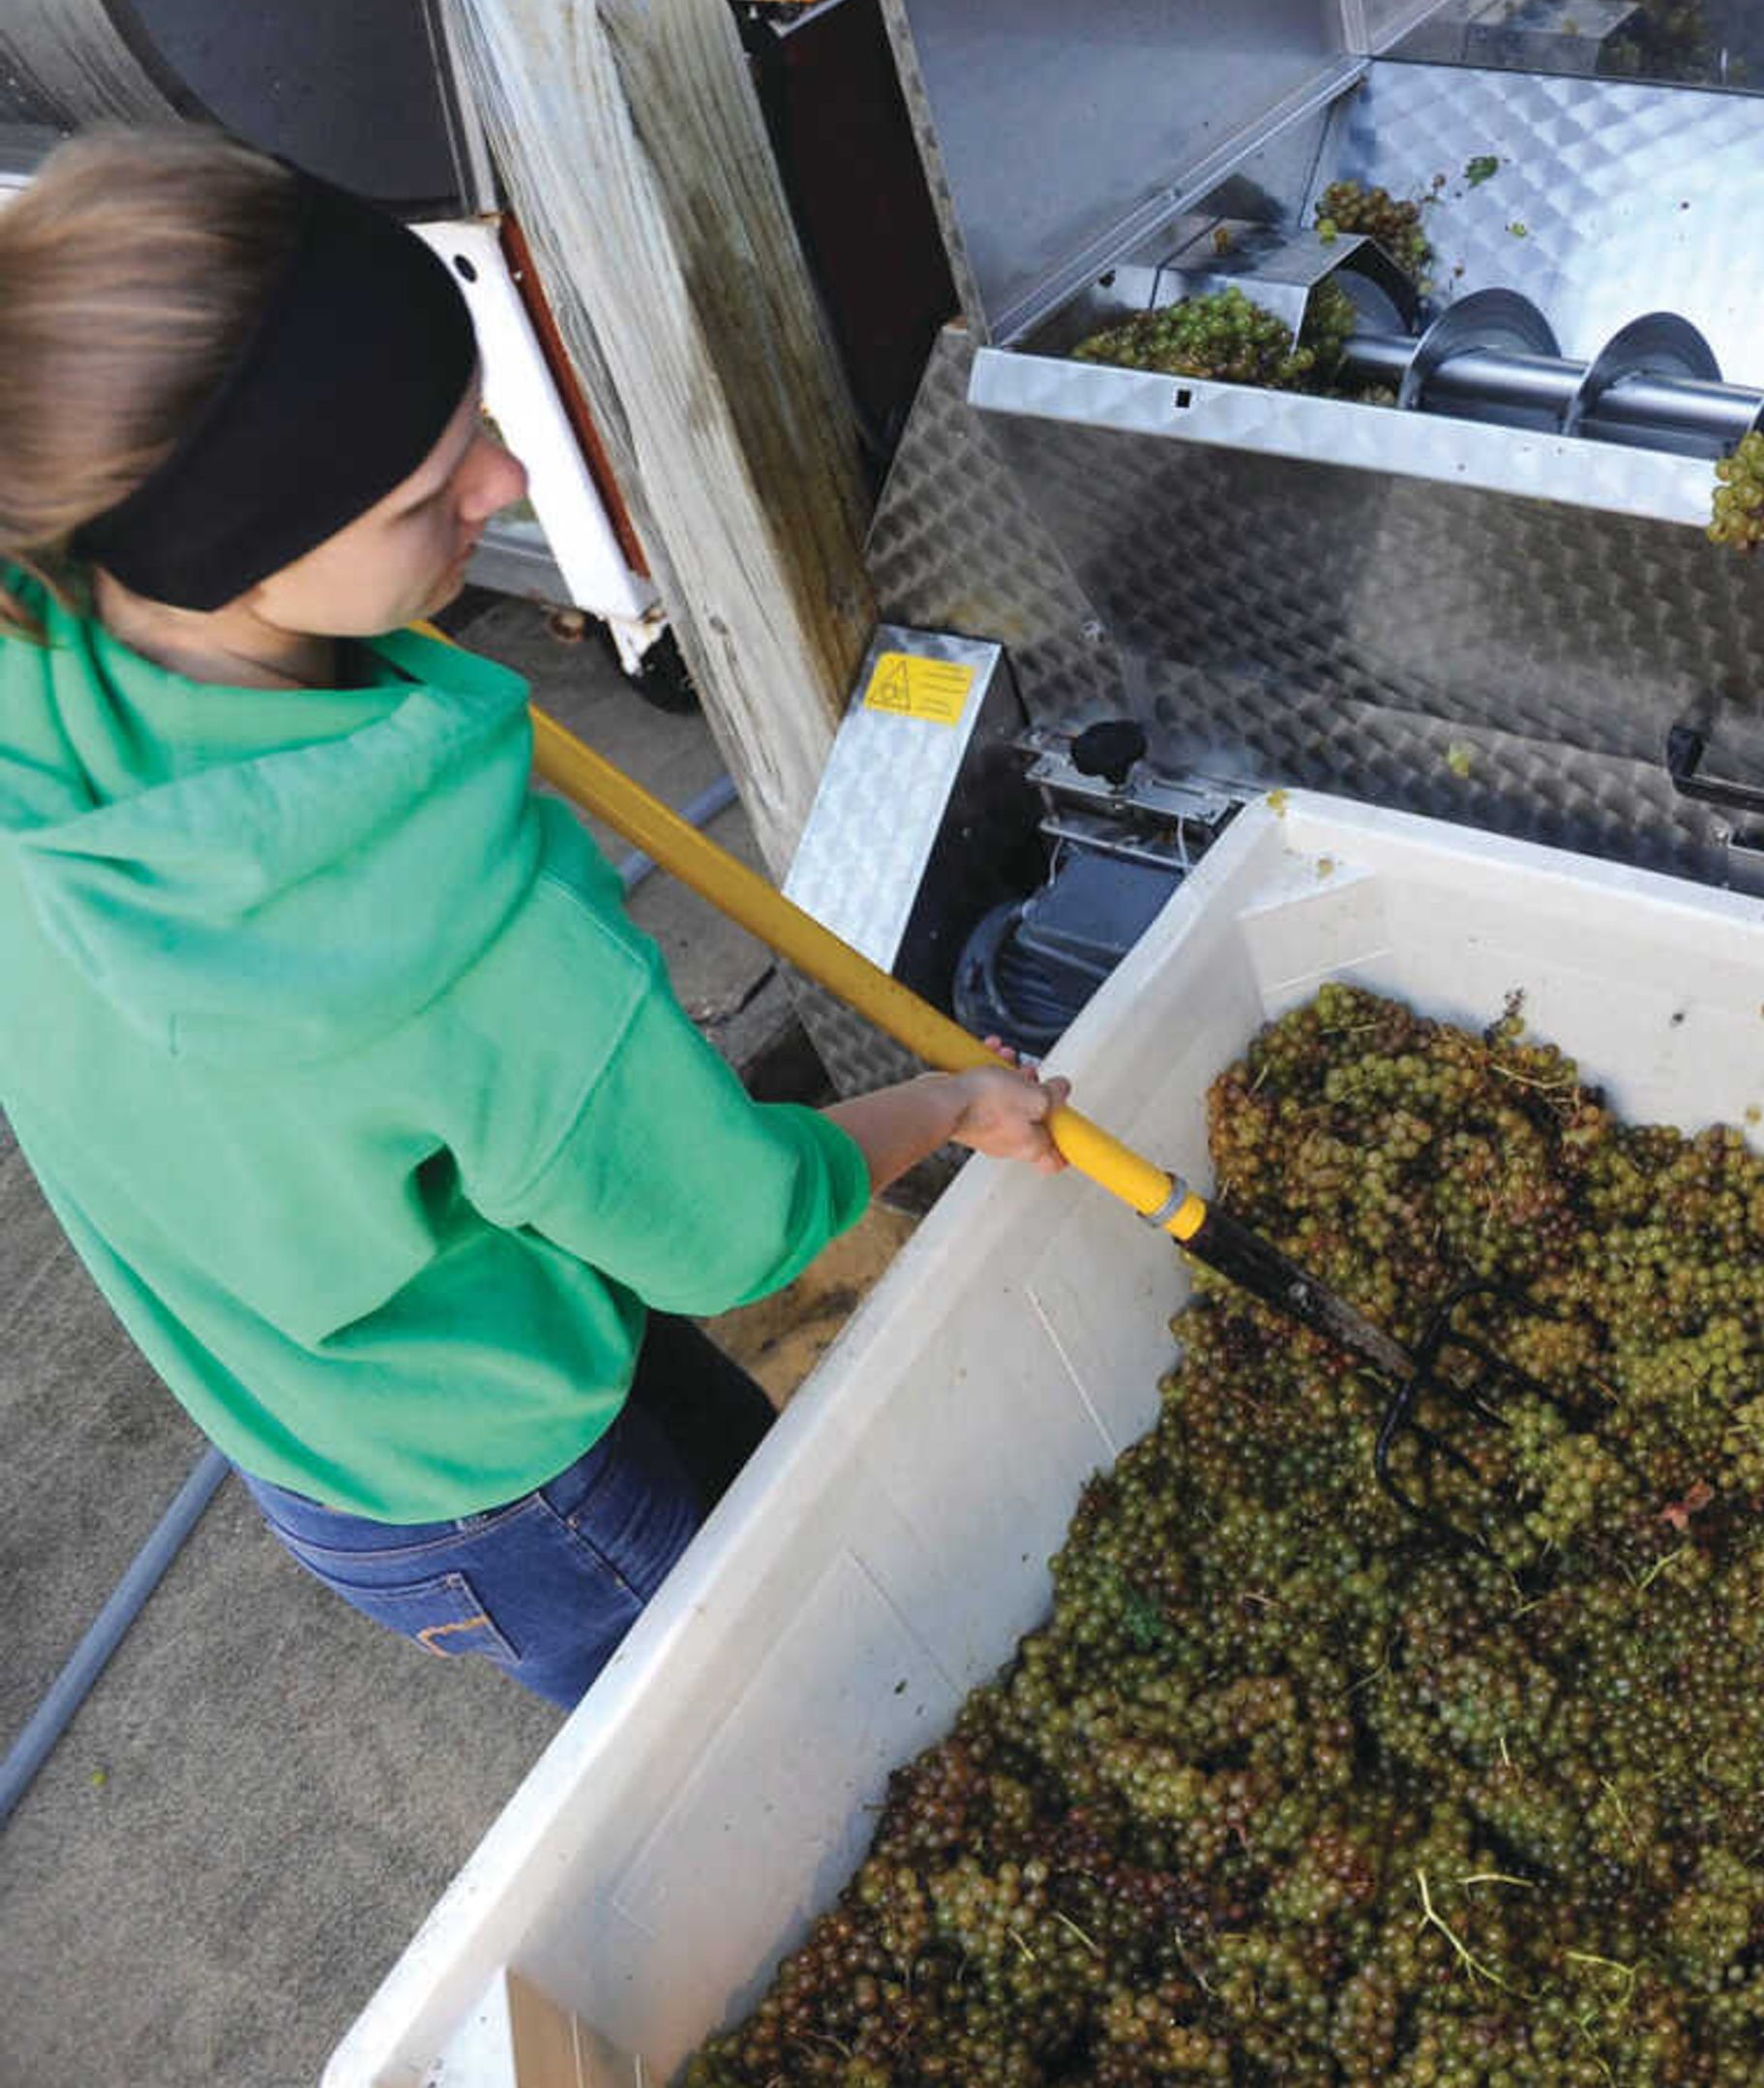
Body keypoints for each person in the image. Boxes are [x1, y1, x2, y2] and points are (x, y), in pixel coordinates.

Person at [0, 127, 1071, 1713]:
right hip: (524, 1487)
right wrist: (961, 1103)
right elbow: (735, 1230)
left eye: (481, 416)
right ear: (240, 563)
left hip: (307, 1426)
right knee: (787, 1699)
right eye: (435, 493)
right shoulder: (459, 939)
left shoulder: (43, 653)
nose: (505, 484)